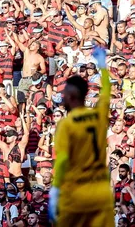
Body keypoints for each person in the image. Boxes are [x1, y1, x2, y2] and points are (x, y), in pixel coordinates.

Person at [49, 47, 114, 226]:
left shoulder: (66, 124)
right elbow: (107, 91)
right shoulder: (99, 114)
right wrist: (103, 66)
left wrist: (55, 191)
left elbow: (62, 160)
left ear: (70, 96)